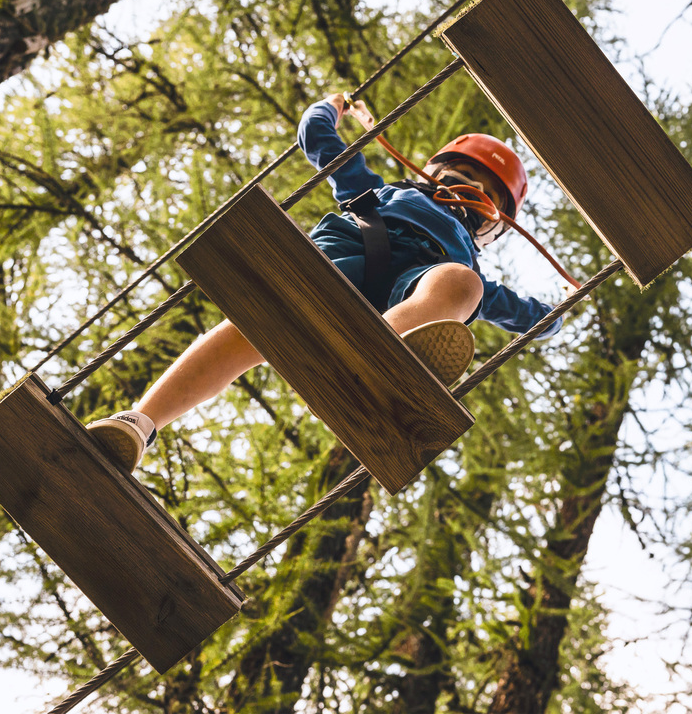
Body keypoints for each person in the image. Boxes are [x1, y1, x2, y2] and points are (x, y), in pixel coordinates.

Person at [88, 93, 562, 469]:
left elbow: (535, 319)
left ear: (493, 228)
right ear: (430, 174)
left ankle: (382, 357)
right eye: (461, 176)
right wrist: (331, 107)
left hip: (416, 295)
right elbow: (319, 140)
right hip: (342, 262)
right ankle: (140, 421)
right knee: (255, 323)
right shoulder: (380, 192)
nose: (468, 193)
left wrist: (564, 304)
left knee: (462, 286)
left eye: (486, 197)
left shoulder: (466, 266)